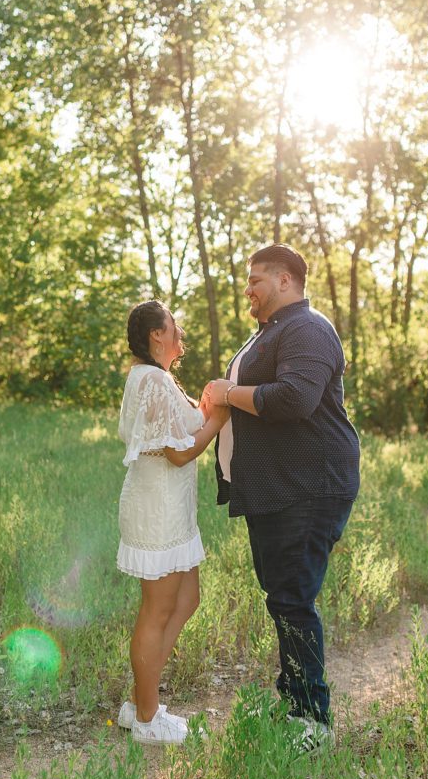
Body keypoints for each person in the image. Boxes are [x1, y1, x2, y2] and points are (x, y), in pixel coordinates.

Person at [205, 244, 360, 746]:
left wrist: (228, 393)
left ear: (286, 281)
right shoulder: (273, 332)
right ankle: (294, 705)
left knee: (292, 600)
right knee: (284, 599)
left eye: (255, 280)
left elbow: (294, 399)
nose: (247, 290)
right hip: (278, 489)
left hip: (308, 488)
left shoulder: (307, 329)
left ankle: (312, 723)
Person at [116, 299, 229, 745]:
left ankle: (138, 703)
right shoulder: (152, 381)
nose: (180, 329)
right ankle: (146, 719)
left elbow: (182, 427)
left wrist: (206, 406)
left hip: (174, 508)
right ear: (156, 335)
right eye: (173, 324)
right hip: (156, 508)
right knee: (158, 608)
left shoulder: (159, 380)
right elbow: (179, 451)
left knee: (186, 600)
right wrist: (218, 420)